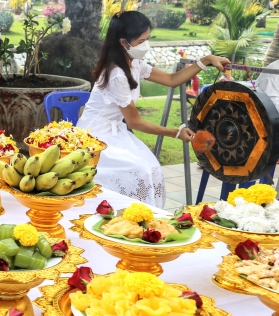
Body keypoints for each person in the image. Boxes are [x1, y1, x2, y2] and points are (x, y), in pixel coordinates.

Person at [76, 11, 229, 208]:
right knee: (137, 170)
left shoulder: (134, 63)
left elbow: (171, 80)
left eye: (148, 39)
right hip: (95, 135)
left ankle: (145, 216)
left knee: (153, 168)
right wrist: (176, 133)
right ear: (124, 42)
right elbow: (134, 122)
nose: (146, 45)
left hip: (115, 131)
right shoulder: (116, 75)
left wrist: (205, 60)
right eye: (141, 41)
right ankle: (119, 216)